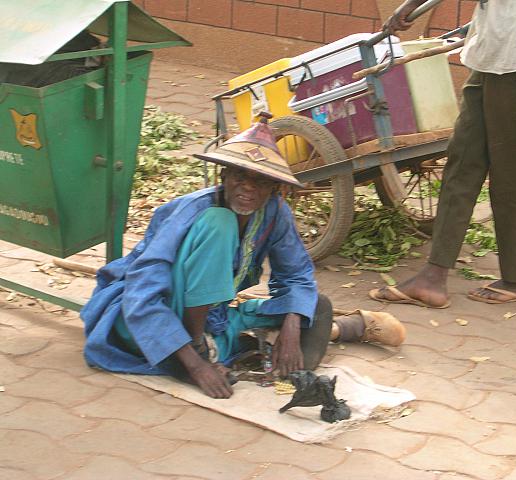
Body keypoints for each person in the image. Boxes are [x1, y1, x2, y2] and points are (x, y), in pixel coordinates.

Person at [81, 114, 405, 399]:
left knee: (310, 306)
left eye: (261, 181)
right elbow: (141, 295)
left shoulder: (275, 212)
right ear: (224, 177)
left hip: (215, 317)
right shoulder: (195, 212)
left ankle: (300, 336)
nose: (248, 188)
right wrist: (196, 365)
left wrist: (291, 329)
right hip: (146, 319)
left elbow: (296, 275)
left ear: (275, 189)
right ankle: (197, 350)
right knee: (220, 231)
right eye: (239, 176)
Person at [370, 0, 516, 307]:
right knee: (463, 159)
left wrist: (409, 6)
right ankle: (433, 277)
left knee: (514, 166)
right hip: (494, 46)